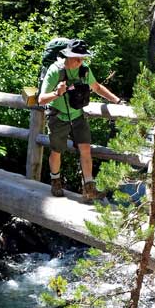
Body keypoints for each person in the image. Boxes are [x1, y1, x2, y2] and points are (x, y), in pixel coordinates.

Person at [38, 38, 123, 202]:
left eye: (82, 57)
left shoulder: (84, 70)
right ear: (68, 56)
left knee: (85, 149)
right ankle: (55, 181)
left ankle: (89, 188)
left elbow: (96, 87)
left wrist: (117, 100)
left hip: (77, 115)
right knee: (57, 151)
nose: (80, 61)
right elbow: (41, 99)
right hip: (58, 116)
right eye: (77, 57)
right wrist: (57, 93)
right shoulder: (55, 71)